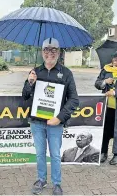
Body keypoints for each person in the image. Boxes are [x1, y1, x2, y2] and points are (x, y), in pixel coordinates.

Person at [22, 38, 79, 195]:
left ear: (58, 52)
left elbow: (74, 100)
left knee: (54, 154)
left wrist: (59, 118)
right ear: (42, 52)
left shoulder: (66, 73)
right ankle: (41, 180)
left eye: (54, 50)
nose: (50, 53)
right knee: (40, 154)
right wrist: (30, 83)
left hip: (55, 123)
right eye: (46, 50)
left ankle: (57, 183)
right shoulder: (35, 72)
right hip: (37, 122)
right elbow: (25, 96)